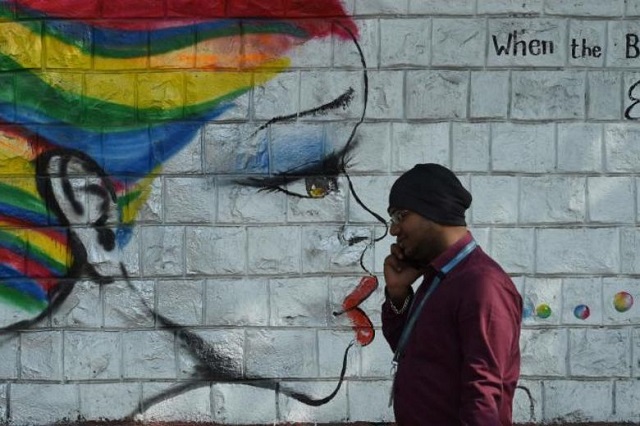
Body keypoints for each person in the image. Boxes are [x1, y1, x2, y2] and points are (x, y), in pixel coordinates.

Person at [381, 163, 522, 425]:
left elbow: (484, 394)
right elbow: (410, 351)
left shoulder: (481, 284)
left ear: (432, 210)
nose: (394, 230)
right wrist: (399, 294)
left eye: (400, 216)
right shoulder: (439, 275)